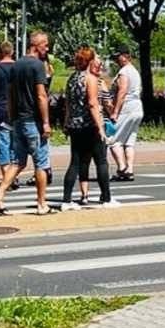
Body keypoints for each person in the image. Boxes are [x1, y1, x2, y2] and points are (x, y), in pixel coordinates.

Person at [0, 31, 54, 216]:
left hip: (18, 120)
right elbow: (41, 95)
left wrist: (11, 114)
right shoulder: (37, 66)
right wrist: (46, 122)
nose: (47, 49)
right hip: (34, 120)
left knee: (17, 162)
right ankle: (42, 204)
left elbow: (10, 93)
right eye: (45, 45)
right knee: (41, 163)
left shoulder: (16, 65)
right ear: (36, 45)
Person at [61, 48, 116, 210]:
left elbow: (68, 104)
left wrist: (66, 123)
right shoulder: (90, 79)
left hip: (74, 125)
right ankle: (106, 198)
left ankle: (66, 200)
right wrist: (100, 128)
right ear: (90, 61)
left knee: (75, 163)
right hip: (89, 125)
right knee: (101, 161)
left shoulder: (72, 78)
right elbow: (93, 104)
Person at [108, 47, 144, 182]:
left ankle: (122, 168)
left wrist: (115, 111)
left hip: (127, 107)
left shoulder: (124, 72)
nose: (117, 59)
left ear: (127, 56)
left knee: (113, 140)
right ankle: (130, 169)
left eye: (119, 56)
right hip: (137, 107)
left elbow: (122, 91)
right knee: (129, 141)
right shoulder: (134, 71)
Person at [0, 42, 17, 186]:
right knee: (14, 145)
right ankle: (13, 175)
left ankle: (7, 178)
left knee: (2, 145)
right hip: (17, 112)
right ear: (12, 52)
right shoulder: (19, 68)